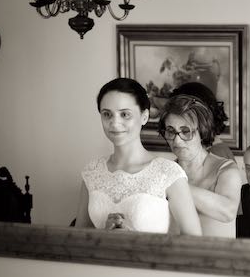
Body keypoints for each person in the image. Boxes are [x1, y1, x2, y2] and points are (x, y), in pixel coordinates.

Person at [74, 78, 201, 235]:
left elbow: (193, 241)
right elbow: (79, 238)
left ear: (144, 117)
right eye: (107, 114)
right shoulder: (92, 172)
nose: (114, 123)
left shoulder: (168, 173)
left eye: (125, 114)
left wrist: (135, 237)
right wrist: (103, 235)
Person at [159, 82, 242, 238]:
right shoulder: (163, 171)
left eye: (186, 132)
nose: (177, 141)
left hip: (215, 259)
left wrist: (175, 184)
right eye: (170, 131)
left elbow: (228, 212)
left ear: (202, 131)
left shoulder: (225, 169)